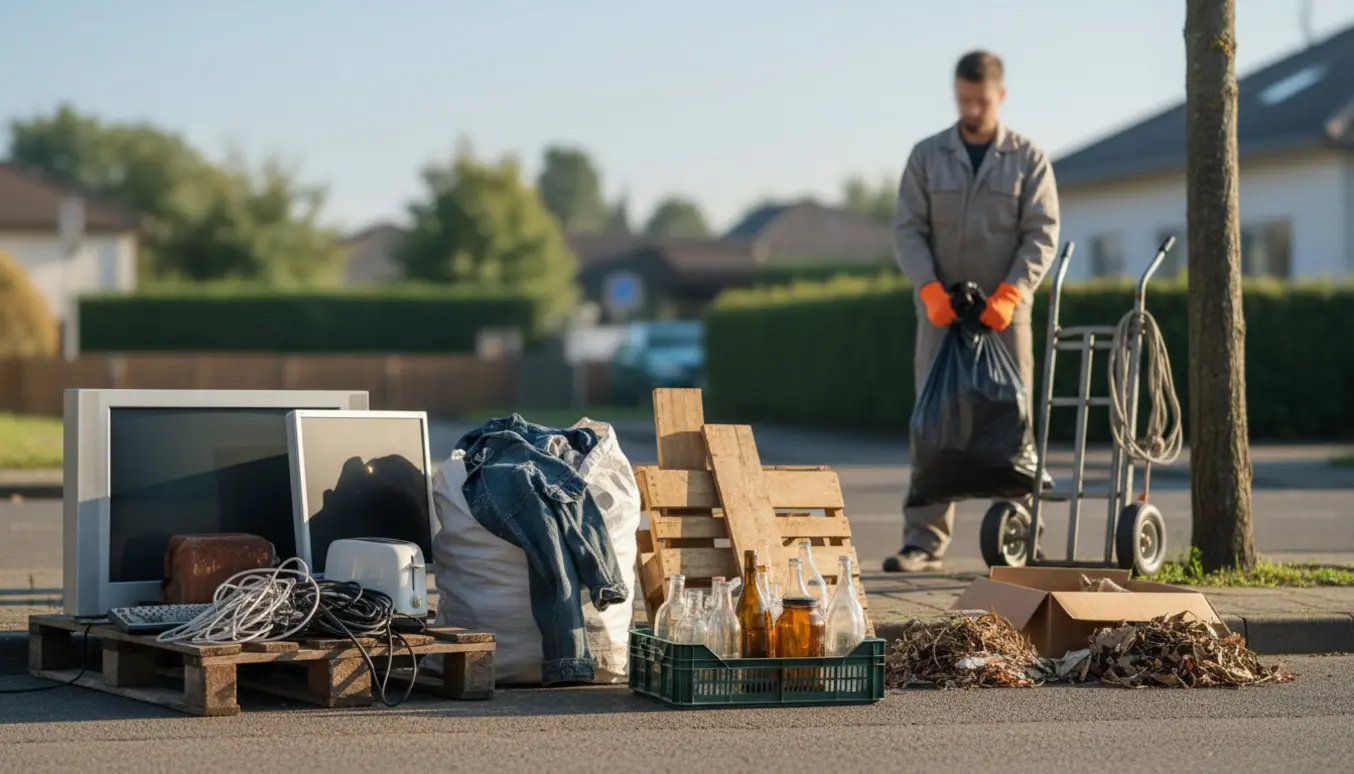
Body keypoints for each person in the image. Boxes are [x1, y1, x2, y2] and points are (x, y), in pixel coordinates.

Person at [884, 50, 1060, 573]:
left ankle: (1020, 538)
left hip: (1004, 317)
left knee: (1013, 421)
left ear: (1000, 96)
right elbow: (908, 230)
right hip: (941, 315)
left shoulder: (1028, 159)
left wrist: (1012, 293)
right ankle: (922, 541)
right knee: (934, 422)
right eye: (964, 100)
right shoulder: (927, 157)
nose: (971, 110)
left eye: (981, 101)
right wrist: (929, 290)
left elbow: (1042, 234)